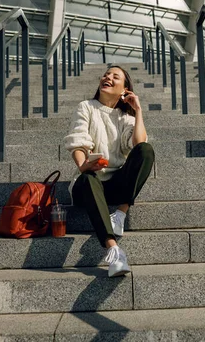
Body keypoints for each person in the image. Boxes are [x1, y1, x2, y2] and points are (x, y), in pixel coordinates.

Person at [64, 65, 155, 277]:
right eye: (106, 75)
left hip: (114, 185)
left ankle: (120, 213)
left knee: (146, 151)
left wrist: (138, 110)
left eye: (116, 77)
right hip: (88, 183)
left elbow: (138, 144)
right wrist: (83, 165)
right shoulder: (86, 107)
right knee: (88, 179)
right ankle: (113, 250)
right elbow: (78, 142)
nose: (108, 78)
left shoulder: (124, 117)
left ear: (125, 89)